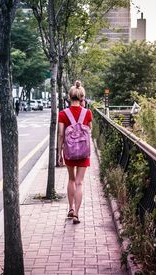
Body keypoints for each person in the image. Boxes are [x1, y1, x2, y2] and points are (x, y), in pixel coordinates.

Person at [58, 80, 92, 224]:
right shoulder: (88, 113)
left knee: (71, 179)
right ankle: (77, 214)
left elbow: (60, 134)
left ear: (69, 97)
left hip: (69, 152)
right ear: (82, 97)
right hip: (83, 152)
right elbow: (90, 131)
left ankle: (71, 208)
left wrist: (59, 153)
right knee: (80, 182)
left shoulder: (63, 114)